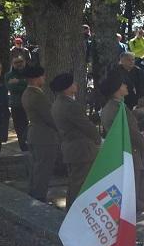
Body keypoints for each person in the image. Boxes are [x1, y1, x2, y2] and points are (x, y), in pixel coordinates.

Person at [98, 76, 144, 215]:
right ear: (116, 89)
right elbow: (130, 132)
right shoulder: (116, 108)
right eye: (123, 85)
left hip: (126, 150)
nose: (126, 87)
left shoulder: (116, 106)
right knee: (131, 188)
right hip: (127, 152)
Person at [50, 72, 101, 209]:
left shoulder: (58, 103)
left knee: (75, 182)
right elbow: (86, 126)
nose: (76, 85)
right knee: (79, 183)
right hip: (80, 149)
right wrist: (98, 139)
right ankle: (75, 211)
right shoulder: (69, 105)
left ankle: (73, 209)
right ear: (66, 87)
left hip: (71, 147)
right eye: (72, 83)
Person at [20, 66, 58, 201]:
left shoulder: (27, 93)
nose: (44, 78)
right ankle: (39, 198)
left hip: (35, 134)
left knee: (37, 169)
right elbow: (50, 117)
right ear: (36, 78)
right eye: (42, 76)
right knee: (43, 170)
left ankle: (34, 195)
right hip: (44, 137)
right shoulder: (37, 95)